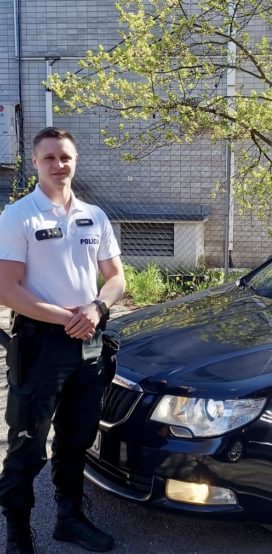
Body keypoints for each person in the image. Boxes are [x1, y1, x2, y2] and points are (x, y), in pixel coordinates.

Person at [0, 127, 125, 553]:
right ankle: (18, 533)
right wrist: (67, 318)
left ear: (75, 161)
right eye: (49, 157)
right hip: (40, 346)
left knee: (76, 438)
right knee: (28, 446)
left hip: (88, 343)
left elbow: (116, 278)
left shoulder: (95, 216)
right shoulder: (18, 216)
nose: (59, 164)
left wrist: (97, 309)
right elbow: (8, 289)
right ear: (35, 163)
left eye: (65, 157)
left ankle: (70, 520)